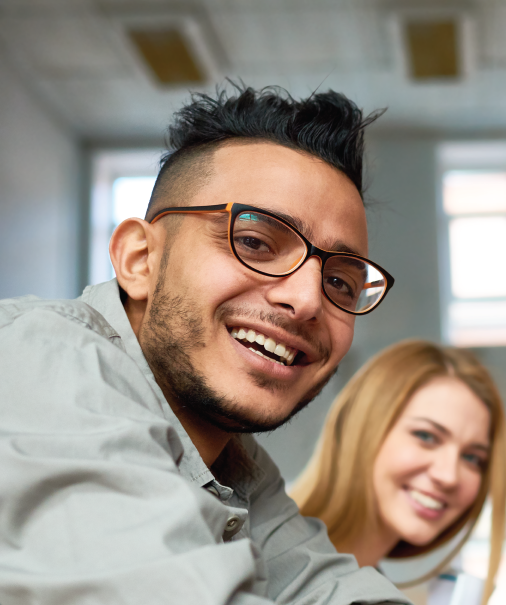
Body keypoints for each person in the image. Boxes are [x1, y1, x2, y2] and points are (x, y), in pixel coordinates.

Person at [0, 85, 410, 604]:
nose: (307, 301)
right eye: (256, 242)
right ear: (139, 260)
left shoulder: (238, 470)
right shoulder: (40, 360)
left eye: (340, 284)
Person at [291, 340, 506, 605]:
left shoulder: (372, 592)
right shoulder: (257, 552)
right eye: (426, 436)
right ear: (361, 428)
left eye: (472, 457)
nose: (449, 476)